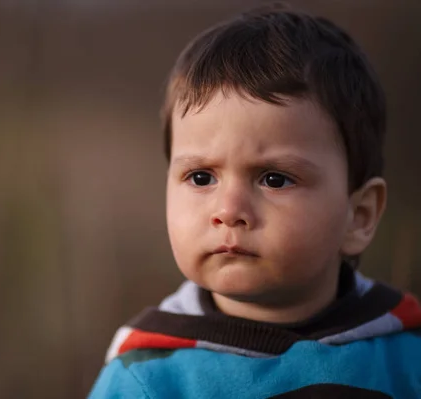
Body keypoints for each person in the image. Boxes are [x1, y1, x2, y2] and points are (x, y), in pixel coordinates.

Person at [88, 4, 421, 398]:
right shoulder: (148, 378)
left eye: (274, 179)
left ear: (358, 216)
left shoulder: (405, 355)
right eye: (201, 177)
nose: (228, 211)